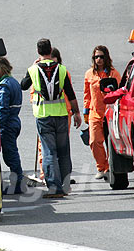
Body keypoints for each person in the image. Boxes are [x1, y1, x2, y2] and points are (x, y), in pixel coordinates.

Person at [21, 38, 82, 198]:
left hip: (43, 116)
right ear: (50, 50)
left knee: (49, 152)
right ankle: (65, 184)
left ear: (38, 51)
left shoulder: (33, 69)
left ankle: (54, 188)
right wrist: (76, 113)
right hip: (61, 114)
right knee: (63, 151)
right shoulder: (61, 69)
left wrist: (33, 65)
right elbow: (71, 93)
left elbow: (23, 85)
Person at [36, 47, 75, 184]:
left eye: (54, 57)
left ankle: (57, 180)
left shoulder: (61, 71)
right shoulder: (38, 71)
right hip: (56, 114)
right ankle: (47, 175)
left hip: (62, 113)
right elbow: (33, 92)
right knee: (50, 149)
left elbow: (70, 93)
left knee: (53, 150)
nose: (50, 60)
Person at [83, 45, 121, 180]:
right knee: (94, 141)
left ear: (106, 58)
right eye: (96, 57)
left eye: (101, 56)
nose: (98, 59)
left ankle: (110, 167)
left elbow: (120, 92)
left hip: (110, 112)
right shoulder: (89, 74)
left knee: (111, 141)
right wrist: (85, 111)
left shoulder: (113, 73)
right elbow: (87, 94)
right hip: (95, 112)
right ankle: (101, 167)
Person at [0, 57, 24, 195]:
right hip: (14, 121)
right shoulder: (13, 81)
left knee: (10, 154)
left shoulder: (4, 85)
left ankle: (18, 184)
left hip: (7, 124)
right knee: (12, 152)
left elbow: (2, 109)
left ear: (0, 68)